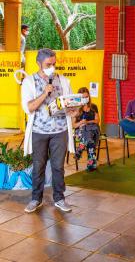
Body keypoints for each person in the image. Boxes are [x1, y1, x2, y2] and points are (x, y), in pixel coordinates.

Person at [21, 48, 75, 213]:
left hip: (60, 130)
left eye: (54, 63)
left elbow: (70, 105)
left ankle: (59, 198)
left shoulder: (64, 81)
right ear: (39, 64)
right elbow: (28, 107)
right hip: (39, 132)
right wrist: (45, 93)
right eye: (48, 64)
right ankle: (36, 199)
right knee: (39, 166)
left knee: (58, 166)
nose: (52, 66)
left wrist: (74, 109)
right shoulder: (29, 81)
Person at [72, 87, 100, 171]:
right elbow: (73, 125)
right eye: (83, 97)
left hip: (93, 129)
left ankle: (80, 149)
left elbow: (97, 120)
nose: (85, 98)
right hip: (80, 131)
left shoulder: (93, 107)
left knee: (88, 131)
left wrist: (87, 122)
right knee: (89, 138)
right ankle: (92, 165)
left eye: (86, 96)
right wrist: (81, 122)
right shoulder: (76, 108)